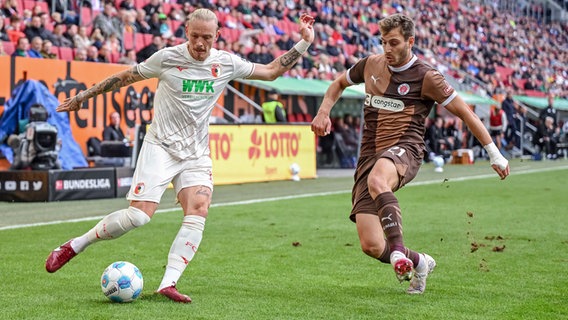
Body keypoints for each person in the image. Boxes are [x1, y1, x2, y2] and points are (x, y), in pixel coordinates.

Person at [45, 8, 315, 303]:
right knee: (138, 217)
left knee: (199, 208)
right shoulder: (167, 58)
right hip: (160, 146)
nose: (201, 44)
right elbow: (125, 77)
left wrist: (303, 43)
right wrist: (85, 96)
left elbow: (271, 71)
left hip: (196, 153)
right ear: (187, 32)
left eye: (207, 38)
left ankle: (167, 283)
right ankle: (75, 245)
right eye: (196, 36)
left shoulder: (226, 62)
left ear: (218, 35)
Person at [310, 13, 509, 295]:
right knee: (372, 245)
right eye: (383, 43)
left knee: (379, 181)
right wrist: (323, 111)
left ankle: (398, 254)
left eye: (394, 43)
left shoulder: (427, 76)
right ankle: (420, 261)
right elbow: (338, 84)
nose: (387, 49)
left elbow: (465, 112)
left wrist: (494, 153)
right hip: (369, 156)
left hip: (407, 149)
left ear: (410, 41)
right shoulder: (370, 64)